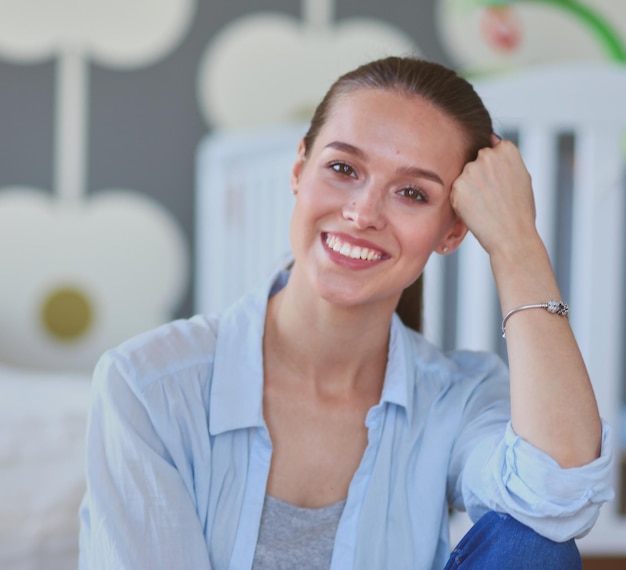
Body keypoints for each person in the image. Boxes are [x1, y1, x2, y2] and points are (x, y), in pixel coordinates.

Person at [78, 56, 614, 569]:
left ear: (452, 231)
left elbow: (560, 495)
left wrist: (516, 243)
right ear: (298, 170)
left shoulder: (457, 398)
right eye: (342, 168)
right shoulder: (148, 385)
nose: (362, 213)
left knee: (538, 545)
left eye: (411, 193)